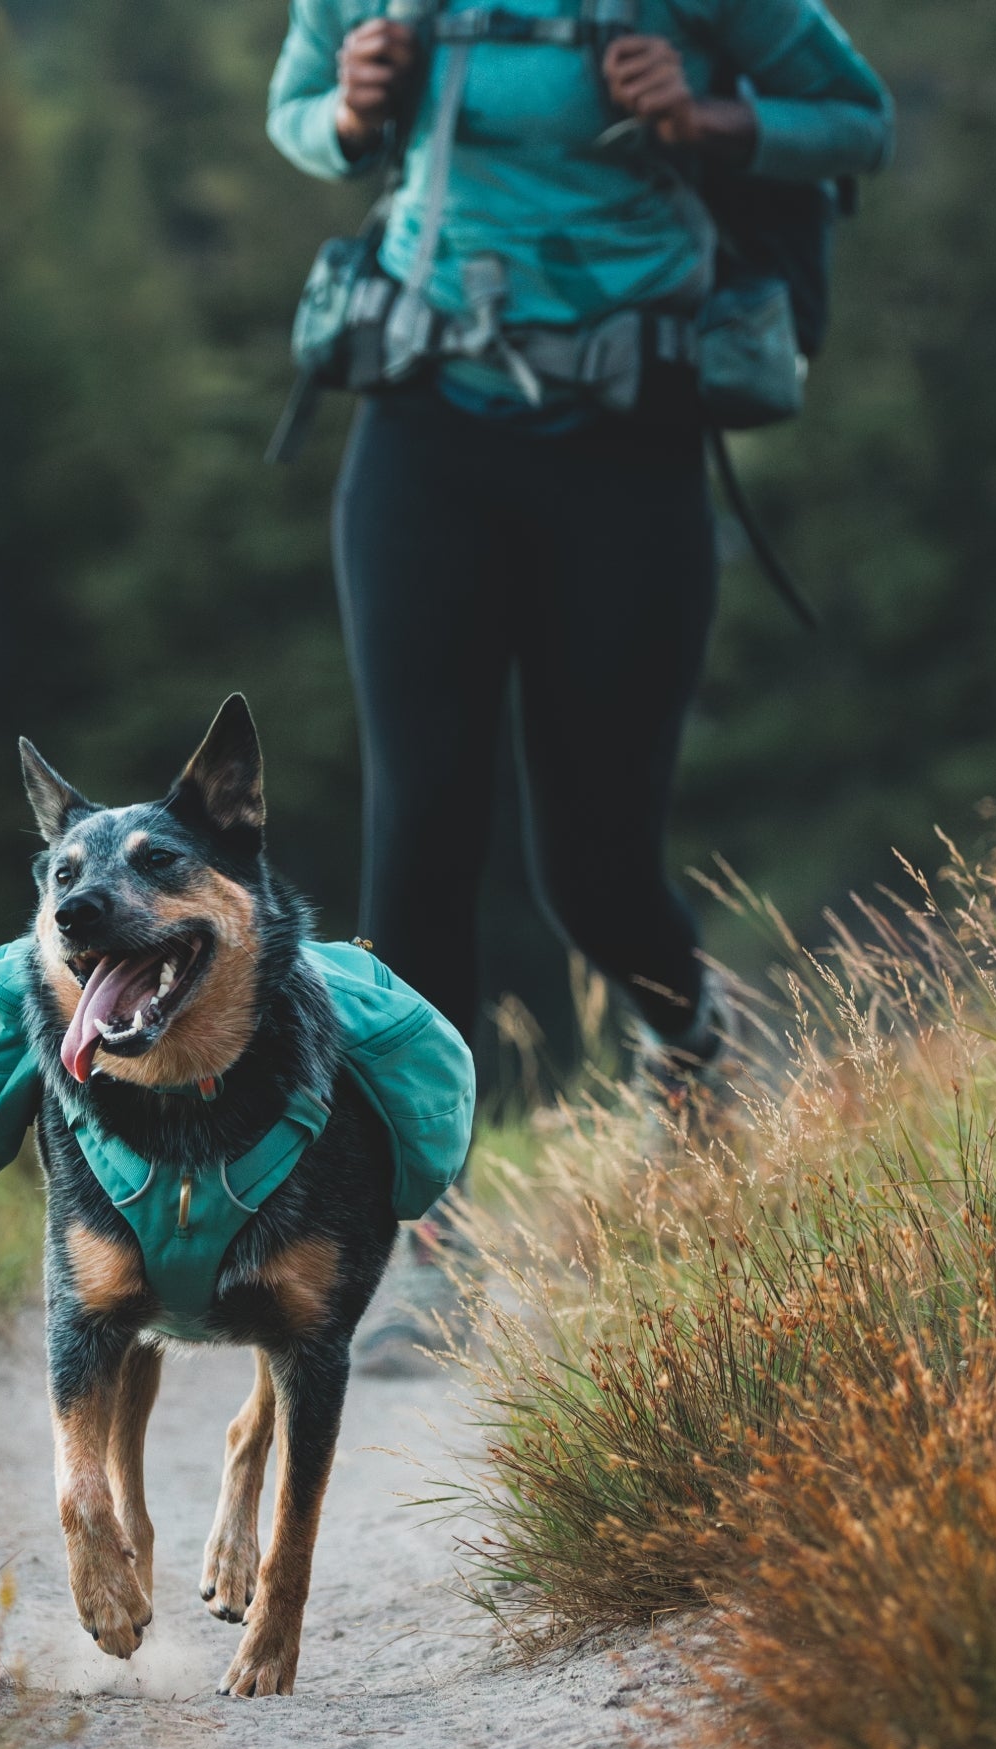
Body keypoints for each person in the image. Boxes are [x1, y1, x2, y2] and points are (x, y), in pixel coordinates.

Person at [268, 0, 892, 1105]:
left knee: (595, 870)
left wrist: (703, 115)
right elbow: (295, 110)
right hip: (421, 424)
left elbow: (856, 119)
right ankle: (417, 1185)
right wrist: (351, 115)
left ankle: (689, 1042)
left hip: (627, 444)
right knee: (420, 827)